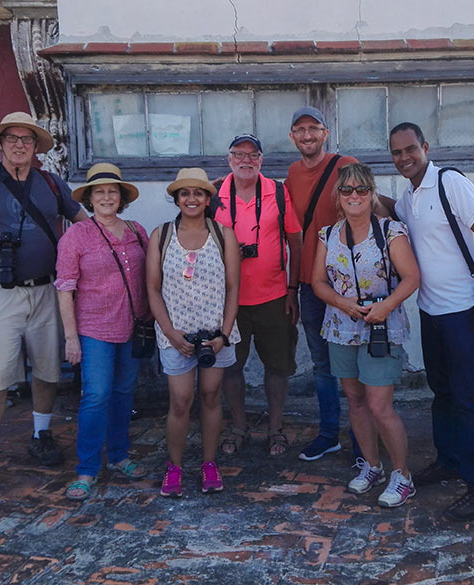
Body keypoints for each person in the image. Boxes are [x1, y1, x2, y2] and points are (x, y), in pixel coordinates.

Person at [0, 111, 86, 498]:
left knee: (47, 369)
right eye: (12, 139)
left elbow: (83, 222)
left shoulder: (51, 183)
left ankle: (41, 435)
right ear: (0, 145)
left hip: (47, 290)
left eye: (27, 139)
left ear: (36, 147)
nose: (20, 145)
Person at [389, 121, 474, 522]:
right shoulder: (409, 196)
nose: (404, 158)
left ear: (425, 147)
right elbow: (394, 215)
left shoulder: (448, 182)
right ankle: (450, 461)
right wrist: (360, 192)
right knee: (442, 392)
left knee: (470, 399)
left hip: (464, 312)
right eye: (397, 153)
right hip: (431, 311)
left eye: (410, 150)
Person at [312, 163, 421, 507]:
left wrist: (386, 306)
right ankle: (371, 466)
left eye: (362, 189)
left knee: (379, 405)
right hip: (341, 326)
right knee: (355, 400)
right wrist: (341, 303)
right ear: (338, 196)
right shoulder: (328, 235)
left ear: (373, 193)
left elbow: (411, 278)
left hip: (380, 327)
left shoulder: (391, 231)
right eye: (347, 190)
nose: (354, 196)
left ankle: (402, 475)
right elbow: (317, 282)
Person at [55, 163, 149, 500]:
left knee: (125, 394)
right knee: (95, 397)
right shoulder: (76, 235)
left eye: (113, 191)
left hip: (134, 326)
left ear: (121, 197)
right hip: (94, 329)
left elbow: (150, 278)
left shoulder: (137, 231)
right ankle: (87, 469)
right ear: (90, 199)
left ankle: (120, 455)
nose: (107, 197)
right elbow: (65, 288)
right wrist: (70, 338)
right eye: (100, 192)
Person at [146, 168, 241, 497]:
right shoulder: (161, 235)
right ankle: (174, 467)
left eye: (198, 193)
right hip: (176, 336)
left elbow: (233, 288)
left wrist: (224, 335)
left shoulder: (223, 234)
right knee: (180, 401)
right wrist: (171, 334)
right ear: (176, 198)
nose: (191, 198)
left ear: (207, 198)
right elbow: (153, 290)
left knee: (211, 398)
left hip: (216, 335)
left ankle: (209, 463)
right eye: (184, 193)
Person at [213, 134, 302, 457]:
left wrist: (294, 289)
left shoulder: (278, 192)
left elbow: (295, 241)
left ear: (261, 160)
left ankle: (275, 427)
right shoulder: (214, 195)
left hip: (275, 296)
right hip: (229, 302)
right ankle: (238, 426)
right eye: (239, 154)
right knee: (230, 367)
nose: (246, 160)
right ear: (229, 159)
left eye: (253, 155)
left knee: (277, 366)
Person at [285, 106, 365, 462]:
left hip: (348, 282)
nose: (307, 135)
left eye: (314, 129)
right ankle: (329, 433)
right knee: (323, 365)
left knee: (355, 363)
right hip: (309, 281)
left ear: (325, 133)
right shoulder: (290, 173)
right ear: (292, 136)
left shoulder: (344, 163)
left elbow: (365, 203)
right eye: (300, 130)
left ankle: (364, 439)